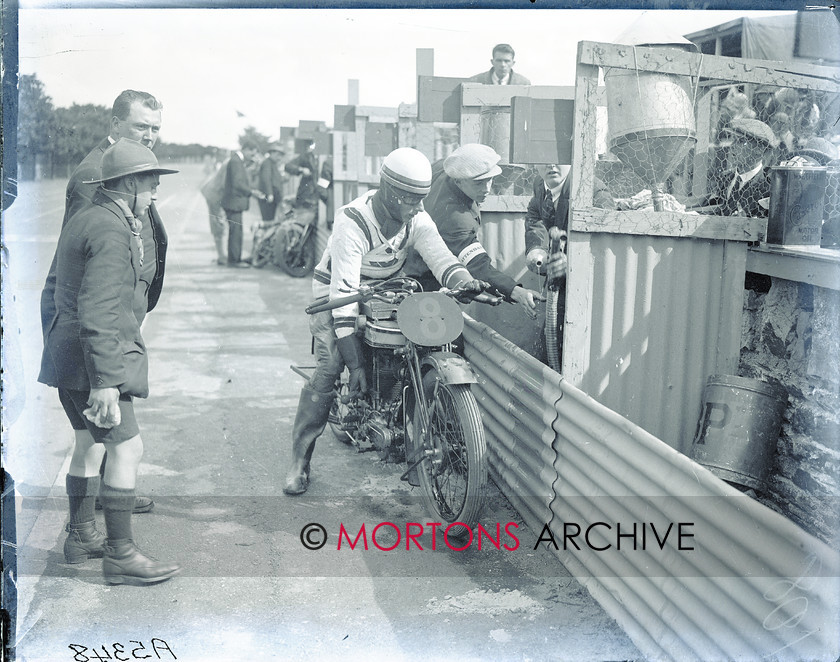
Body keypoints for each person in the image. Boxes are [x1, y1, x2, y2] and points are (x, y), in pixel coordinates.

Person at [282, 148, 488, 496]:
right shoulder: (353, 220)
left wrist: (462, 280)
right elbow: (343, 296)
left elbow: (441, 257)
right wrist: (355, 362)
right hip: (335, 293)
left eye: (421, 199)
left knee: (416, 339)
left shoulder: (417, 218)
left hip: (385, 287)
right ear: (388, 191)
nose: (417, 207)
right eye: (409, 199)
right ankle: (299, 461)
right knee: (331, 364)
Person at [38, 138, 181, 584]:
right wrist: (104, 382)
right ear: (128, 184)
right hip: (93, 363)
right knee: (127, 447)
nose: (156, 192)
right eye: (151, 183)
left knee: (89, 442)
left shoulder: (92, 217)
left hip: (70, 356)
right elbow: (98, 309)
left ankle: (80, 535)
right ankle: (120, 554)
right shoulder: (111, 230)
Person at [40, 89, 165, 516]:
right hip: (97, 316)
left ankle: (108, 493)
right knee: (107, 431)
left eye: (154, 128)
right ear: (115, 125)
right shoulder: (99, 173)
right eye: (139, 126)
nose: (148, 135)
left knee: (100, 436)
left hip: (113, 311)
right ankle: (109, 502)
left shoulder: (132, 164)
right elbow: (86, 260)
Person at [404, 143, 542, 317]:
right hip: (425, 280)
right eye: (478, 184)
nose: (486, 189)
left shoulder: (444, 168)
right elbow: (478, 266)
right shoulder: (456, 219)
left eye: (489, 180)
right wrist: (516, 291)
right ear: (458, 181)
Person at [524, 164, 614, 365]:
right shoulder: (541, 184)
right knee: (548, 352)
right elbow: (535, 217)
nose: (551, 164)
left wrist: (574, 264)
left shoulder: (594, 192)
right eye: (544, 158)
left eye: (559, 158)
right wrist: (536, 251)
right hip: (558, 292)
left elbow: (607, 251)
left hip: (589, 300)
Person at [714, 118, 780, 218]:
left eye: (741, 141)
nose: (733, 146)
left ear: (759, 150)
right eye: (733, 140)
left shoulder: (768, 188)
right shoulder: (725, 178)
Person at [221, 140, 260, 267]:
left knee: (235, 232)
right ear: (246, 149)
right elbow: (238, 183)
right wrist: (252, 192)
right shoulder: (236, 161)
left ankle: (234, 258)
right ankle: (234, 261)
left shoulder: (237, 160)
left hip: (233, 203)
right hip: (234, 203)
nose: (252, 157)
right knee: (236, 232)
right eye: (252, 154)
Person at [200, 156, 230, 265]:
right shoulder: (230, 164)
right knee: (218, 224)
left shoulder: (229, 161)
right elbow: (224, 183)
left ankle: (221, 255)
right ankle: (222, 257)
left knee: (218, 223)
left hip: (212, 193)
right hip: (215, 195)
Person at [257, 142, 286, 223]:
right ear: (271, 153)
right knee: (268, 221)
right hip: (268, 198)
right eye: (278, 155)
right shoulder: (267, 163)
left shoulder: (273, 164)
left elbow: (275, 180)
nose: (279, 158)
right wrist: (270, 194)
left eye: (281, 155)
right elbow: (266, 179)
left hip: (272, 198)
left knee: (271, 220)